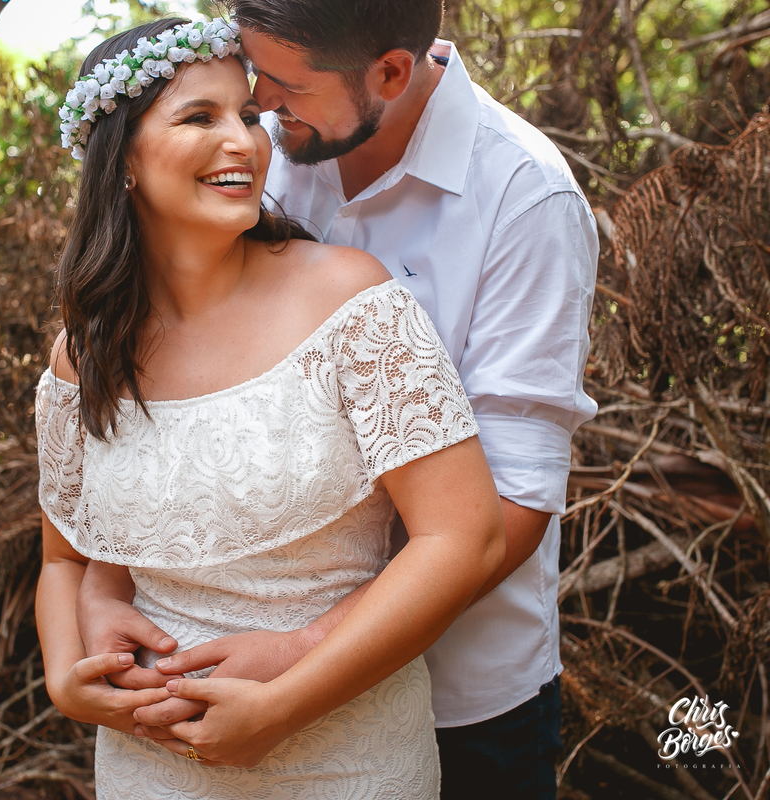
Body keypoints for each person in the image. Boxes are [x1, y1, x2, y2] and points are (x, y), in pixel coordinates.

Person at [76, 2, 599, 797]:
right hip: (212, 694)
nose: (261, 110)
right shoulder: (267, 147)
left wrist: (301, 651)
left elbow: (514, 501)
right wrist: (103, 594)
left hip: (463, 693)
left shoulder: (525, 199)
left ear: (388, 72)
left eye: (283, 88)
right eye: (256, 80)